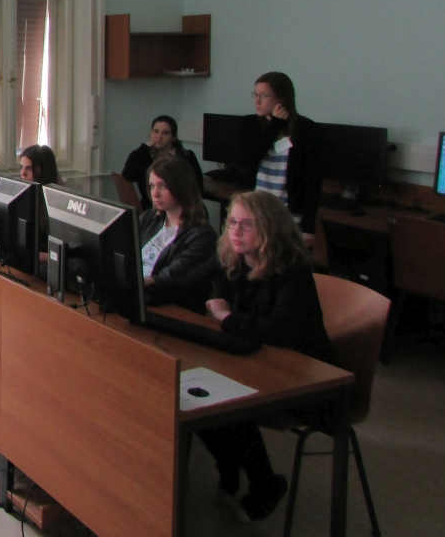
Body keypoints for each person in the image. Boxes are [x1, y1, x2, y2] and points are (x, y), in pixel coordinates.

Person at [198, 191, 334, 522]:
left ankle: (266, 485)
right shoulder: (231, 258)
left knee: (227, 403)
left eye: (247, 224)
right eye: (232, 222)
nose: (235, 231)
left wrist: (228, 318)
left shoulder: (293, 271)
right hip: (254, 362)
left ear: (271, 228)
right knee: (194, 396)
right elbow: (194, 279)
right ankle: (229, 466)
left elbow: (279, 331)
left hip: (305, 379)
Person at [239, 72, 322, 238]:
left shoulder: (307, 129)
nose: (257, 101)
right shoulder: (250, 124)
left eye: (264, 96)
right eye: (255, 95)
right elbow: (249, 159)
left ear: (282, 98)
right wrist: (275, 125)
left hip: (290, 215)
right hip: (256, 210)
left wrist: (309, 226)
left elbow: (312, 180)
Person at [139, 156, 219, 314]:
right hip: (139, 298)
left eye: (163, 186)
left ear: (181, 187)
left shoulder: (202, 236)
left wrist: (134, 283)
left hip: (168, 307)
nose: (155, 193)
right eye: (152, 186)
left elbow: (170, 278)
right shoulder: (149, 218)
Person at [122, 116, 203, 210]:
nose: (159, 136)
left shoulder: (185, 156)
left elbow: (198, 188)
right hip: (151, 208)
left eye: (165, 133)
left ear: (173, 137)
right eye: (156, 131)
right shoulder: (143, 156)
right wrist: (144, 148)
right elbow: (128, 175)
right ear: (150, 133)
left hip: (181, 208)